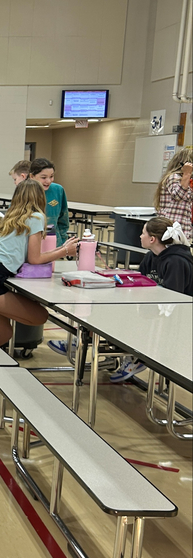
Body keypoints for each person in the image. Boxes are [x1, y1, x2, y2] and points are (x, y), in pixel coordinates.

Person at [0, 179, 78, 346]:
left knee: (4, 333)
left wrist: (62, 248)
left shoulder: (11, 217)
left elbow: (33, 254)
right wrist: (65, 251)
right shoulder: (37, 217)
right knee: (40, 316)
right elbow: (34, 259)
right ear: (40, 197)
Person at [109, 216, 193, 382]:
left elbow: (173, 301)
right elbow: (141, 282)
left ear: (152, 239)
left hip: (179, 318)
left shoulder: (176, 262)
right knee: (116, 313)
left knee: (129, 320)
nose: (140, 236)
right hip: (154, 309)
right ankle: (121, 355)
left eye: (143, 233)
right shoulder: (150, 257)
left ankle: (138, 358)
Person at [153, 147, 193, 241]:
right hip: (171, 230)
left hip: (182, 229)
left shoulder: (185, 180)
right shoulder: (173, 177)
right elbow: (179, 195)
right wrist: (187, 174)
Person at [29, 157, 69, 246]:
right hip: (30, 242)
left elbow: (63, 218)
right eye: (43, 177)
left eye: (51, 176)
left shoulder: (58, 190)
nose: (48, 181)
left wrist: (62, 240)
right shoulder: (24, 191)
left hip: (53, 242)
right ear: (32, 176)